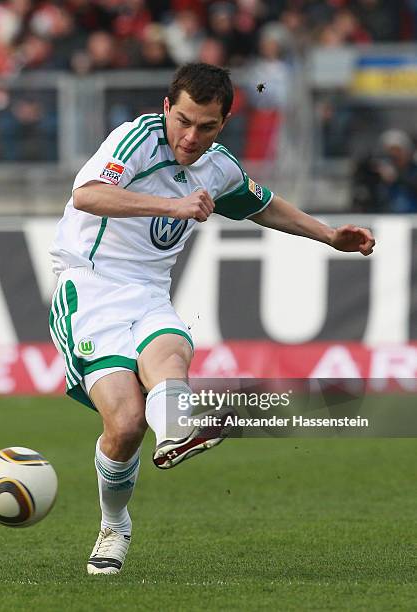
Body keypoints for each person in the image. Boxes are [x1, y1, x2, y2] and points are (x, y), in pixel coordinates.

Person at [49, 63, 375, 576]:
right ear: (166, 108)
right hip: (90, 288)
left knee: (170, 355)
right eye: (182, 121)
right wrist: (172, 205)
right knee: (126, 424)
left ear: (224, 123)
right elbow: (87, 194)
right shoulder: (134, 140)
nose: (190, 136)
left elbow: (263, 206)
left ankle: (179, 429)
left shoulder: (217, 167)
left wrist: (329, 235)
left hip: (150, 294)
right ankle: (115, 524)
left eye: (206, 127)